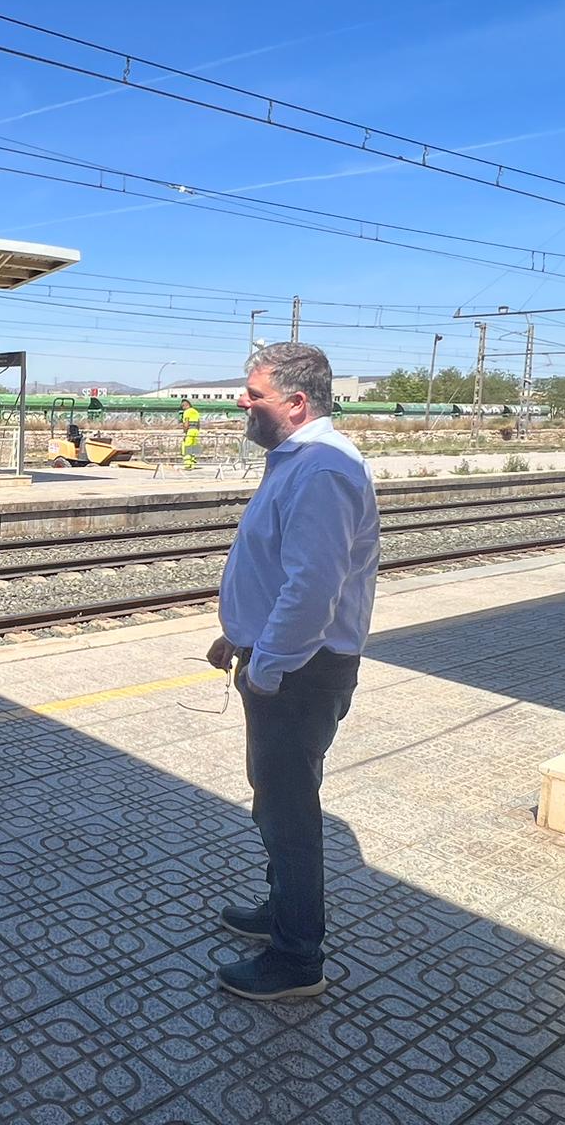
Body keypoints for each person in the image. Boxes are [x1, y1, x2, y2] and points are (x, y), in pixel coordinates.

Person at [205, 342, 380, 1000]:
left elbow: (312, 588)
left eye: (254, 393)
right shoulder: (299, 462)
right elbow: (279, 569)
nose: (242, 402)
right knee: (274, 799)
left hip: (302, 669)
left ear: (297, 402)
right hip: (283, 659)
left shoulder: (322, 471)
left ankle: (297, 958)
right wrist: (239, 636)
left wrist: (268, 667)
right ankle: (282, 911)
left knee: (289, 812)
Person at [180, 397, 202, 469]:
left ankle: (187, 464)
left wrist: (185, 432)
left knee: (186, 446)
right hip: (196, 431)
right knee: (194, 446)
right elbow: (198, 423)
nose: (182, 408)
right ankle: (193, 463)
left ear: (186, 405)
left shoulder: (186, 412)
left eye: (182, 406)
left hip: (190, 430)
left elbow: (186, 423)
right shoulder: (196, 411)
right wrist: (198, 431)